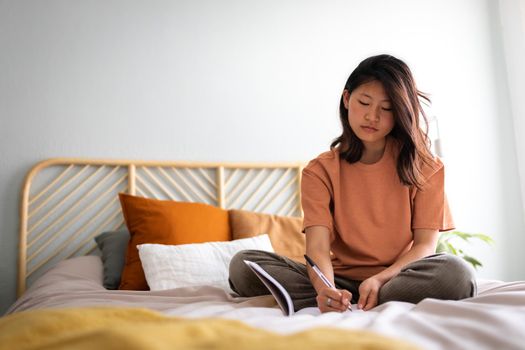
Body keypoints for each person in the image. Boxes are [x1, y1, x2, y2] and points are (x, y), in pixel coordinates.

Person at [228, 54, 477, 313]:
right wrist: (325, 288)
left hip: (395, 277)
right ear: (347, 99)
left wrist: (380, 279)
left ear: (401, 111)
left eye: (387, 108)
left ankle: (377, 295)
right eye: (364, 102)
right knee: (243, 265)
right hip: (338, 279)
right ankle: (343, 298)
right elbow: (318, 247)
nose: (373, 116)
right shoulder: (319, 171)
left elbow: (425, 245)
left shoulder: (426, 166)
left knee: (457, 275)